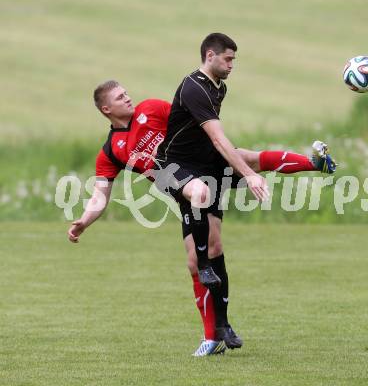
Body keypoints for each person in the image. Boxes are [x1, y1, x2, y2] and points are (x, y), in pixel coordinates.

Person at [68, 77, 336, 355]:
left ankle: (315, 163)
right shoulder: (111, 151)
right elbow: (100, 194)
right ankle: (215, 334)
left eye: (126, 93)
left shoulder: (152, 108)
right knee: (197, 260)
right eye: (119, 97)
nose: (127, 98)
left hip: (203, 163)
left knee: (249, 158)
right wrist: (84, 222)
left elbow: (191, 120)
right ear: (105, 109)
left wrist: (216, 146)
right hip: (184, 188)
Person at [154, 33, 337, 353]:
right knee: (199, 233)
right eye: (228, 58)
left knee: (217, 241)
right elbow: (217, 138)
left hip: (205, 165)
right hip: (175, 168)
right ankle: (209, 311)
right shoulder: (194, 86)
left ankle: (314, 163)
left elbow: (217, 146)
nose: (231, 64)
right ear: (210, 55)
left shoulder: (218, 87)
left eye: (233, 59)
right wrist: (249, 176)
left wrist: (246, 168)